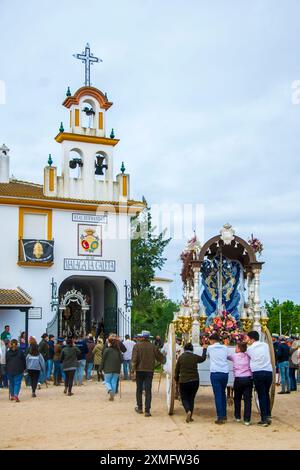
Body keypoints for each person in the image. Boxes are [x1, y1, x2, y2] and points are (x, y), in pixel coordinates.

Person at [131, 330, 164, 417]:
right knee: (148, 390)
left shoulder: (137, 346)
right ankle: (147, 410)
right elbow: (161, 358)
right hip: (149, 371)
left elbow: (134, 359)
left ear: (142, 337)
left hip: (139, 370)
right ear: (148, 338)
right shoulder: (153, 346)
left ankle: (140, 408)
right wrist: (164, 360)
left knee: (139, 389)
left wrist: (132, 370)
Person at [174, 342, 207, 422]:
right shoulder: (194, 356)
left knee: (184, 398)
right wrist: (204, 349)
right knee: (191, 399)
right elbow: (203, 359)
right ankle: (190, 416)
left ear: (184, 349)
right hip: (195, 381)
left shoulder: (181, 357)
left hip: (184, 381)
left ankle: (188, 411)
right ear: (192, 349)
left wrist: (177, 379)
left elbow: (177, 370)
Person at [247, 330, 273, 426]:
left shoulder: (249, 349)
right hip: (268, 372)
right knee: (266, 394)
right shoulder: (265, 345)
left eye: (248, 338)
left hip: (258, 372)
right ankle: (267, 414)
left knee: (261, 395)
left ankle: (264, 419)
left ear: (252, 339)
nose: (247, 340)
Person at [228, 342, 253, 425]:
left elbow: (226, 356)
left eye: (236, 347)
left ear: (238, 348)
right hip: (248, 378)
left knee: (237, 398)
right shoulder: (248, 356)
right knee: (247, 400)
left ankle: (238, 416)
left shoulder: (234, 356)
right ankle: (247, 419)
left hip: (238, 379)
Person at [207, 333, 230, 424]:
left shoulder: (210, 348)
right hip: (224, 372)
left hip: (215, 372)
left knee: (217, 395)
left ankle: (220, 416)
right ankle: (224, 414)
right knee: (223, 393)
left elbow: (208, 357)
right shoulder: (225, 347)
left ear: (212, 340)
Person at [101, 336, 123, 400]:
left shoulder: (106, 350)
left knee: (107, 381)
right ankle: (112, 394)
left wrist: (100, 368)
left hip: (107, 368)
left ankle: (110, 390)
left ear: (109, 343)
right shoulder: (118, 351)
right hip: (116, 369)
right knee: (114, 382)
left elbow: (103, 360)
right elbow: (122, 360)